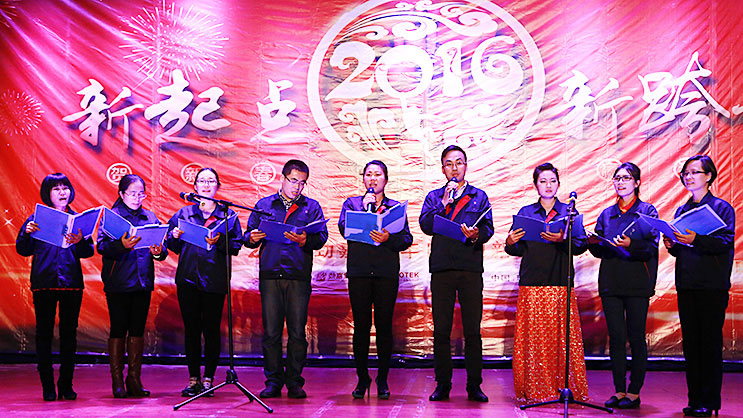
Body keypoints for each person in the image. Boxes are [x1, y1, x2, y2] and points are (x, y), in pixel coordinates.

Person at [504, 162, 589, 402]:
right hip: (532, 283)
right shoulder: (526, 212)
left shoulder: (569, 213)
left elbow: (581, 245)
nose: (548, 185)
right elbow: (516, 249)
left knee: (560, 338)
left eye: (552, 181)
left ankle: (563, 387)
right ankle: (534, 387)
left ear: (558, 184)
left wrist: (563, 239)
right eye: (543, 181)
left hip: (560, 281)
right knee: (534, 339)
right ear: (535, 185)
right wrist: (509, 242)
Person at [244, 159, 328, 399]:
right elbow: (247, 237)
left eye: (302, 183)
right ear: (282, 179)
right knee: (271, 332)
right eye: (293, 181)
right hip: (270, 274)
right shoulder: (264, 205)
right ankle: (273, 381)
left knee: (297, 333)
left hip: (297, 275)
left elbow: (321, 237)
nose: (297, 187)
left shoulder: (311, 207)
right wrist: (252, 237)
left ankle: (294, 382)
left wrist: (305, 240)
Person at [419, 145, 493, 403]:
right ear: (443, 169)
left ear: (466, 166)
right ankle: (443, 384)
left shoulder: (479, 196)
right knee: (441, 331)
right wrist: (443, 203)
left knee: (472, 330)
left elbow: (488, 228)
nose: (454, 168)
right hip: (442, 269)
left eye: (459, 163)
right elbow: (426, 225)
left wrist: (477, 234)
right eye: (449, 164)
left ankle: (474, 385)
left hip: (470, 268)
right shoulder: (434, 196)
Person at [664, 155, 734, 418]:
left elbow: (725, 242)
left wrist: (696, 238)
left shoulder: (721, 208)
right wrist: (672, 244)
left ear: (709, 176)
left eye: (695, 172)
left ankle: (710, 400)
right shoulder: (682, 210)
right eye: (686, 173)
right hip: (687, 283)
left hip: (711, 285)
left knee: (709, 344)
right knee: (691, 344)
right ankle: (695, 400)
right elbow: (680, 250)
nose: (689, 177)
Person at [338, 160, 413, 400]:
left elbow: (407, 239)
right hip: (359, 273)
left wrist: (388, 238)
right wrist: (364, 211)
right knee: (361, 327)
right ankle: (362, 378)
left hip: (385, 274)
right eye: (368, 174)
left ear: (385, 179)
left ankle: (382, 378)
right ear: (363, 179)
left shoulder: (395, 208)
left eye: (377, 174)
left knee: (383, 326)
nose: (373, 178)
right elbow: (343, 228)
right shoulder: (352, 204)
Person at [16, 173, 94, 401]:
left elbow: (88, 251)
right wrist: (27, 234)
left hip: (71, 284)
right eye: (56, 189)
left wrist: (81, 241)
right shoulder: (36, 219)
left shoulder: (77, 219)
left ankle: (66, 385)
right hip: (44, 283)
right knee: (44, 335)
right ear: (47, 193)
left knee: (69, 336)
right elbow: (22, 249)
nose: (62, 192)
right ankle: (48, 386)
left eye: (65, 188)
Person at [587, 162, 658, 409]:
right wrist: (593, 243)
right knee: (616, 338)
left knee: (636, 337)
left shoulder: (647, 211)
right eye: (617, 178)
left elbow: (651, 247)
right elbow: (600, 250)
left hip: (637, 283)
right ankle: (619, 390)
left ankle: (634, 392)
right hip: (611, 282)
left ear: (637, 183)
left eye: (626, 178)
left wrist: (631, 244)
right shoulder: (607, 214)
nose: (621, 182)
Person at [167, 168, 242, 397]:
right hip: (188, 279)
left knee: (211, 330)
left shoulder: (227, 215)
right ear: (195, 186)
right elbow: (171, 244)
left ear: (218, 186)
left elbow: (236, 246)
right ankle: (193, 379)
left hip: (214, 279)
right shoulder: (184, 213)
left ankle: (209, 379)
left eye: (211, 181)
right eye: (202, 181)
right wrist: (174, 237)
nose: (206, 185)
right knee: (191, 330)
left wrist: (220, 241)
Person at [97, 174, 167, 398]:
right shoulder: (113, 217)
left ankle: (134, 379)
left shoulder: (149, 216)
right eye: (132, 194)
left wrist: (159, 251)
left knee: (137, 329)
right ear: (121, 194)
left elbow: (162, 249)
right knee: (119, 328)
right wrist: (121, 244)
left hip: (142, 280)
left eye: (141, 194)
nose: (137, 198)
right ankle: (117, 380)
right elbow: (102, 247)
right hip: (118, 282)